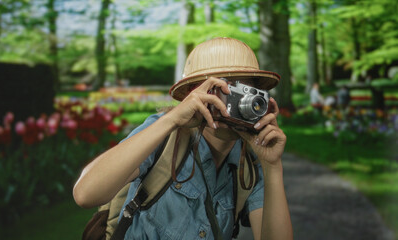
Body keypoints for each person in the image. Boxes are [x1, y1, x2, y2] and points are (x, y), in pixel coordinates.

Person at [73, 37, 293, 240]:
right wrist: (172, 119)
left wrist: (272, 166)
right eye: (224, 89)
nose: (233, 103)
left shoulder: (250, 163)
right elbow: (85, 194)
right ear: (194, 92)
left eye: (244, 92)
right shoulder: (166, 133)